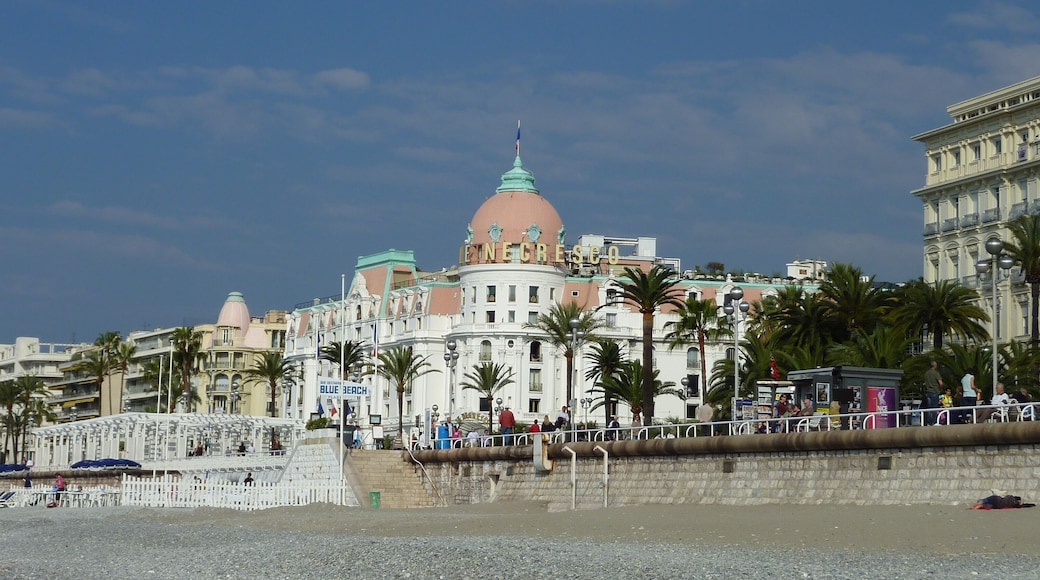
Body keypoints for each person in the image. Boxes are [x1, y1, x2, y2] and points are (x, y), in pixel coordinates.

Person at [923, 360, 943, 425]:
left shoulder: (926, 373)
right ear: (935, 365)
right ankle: (934, 422)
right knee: (934, 408)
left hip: (928, 392)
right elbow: (941, 383)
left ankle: (929, 422)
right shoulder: (936, 373)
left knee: (929, 408)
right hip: (935, 392)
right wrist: (940, 388)